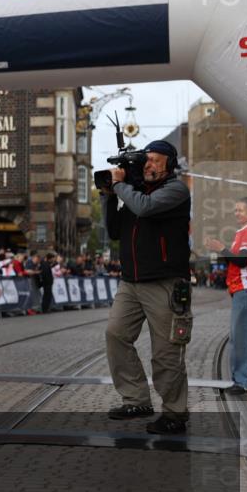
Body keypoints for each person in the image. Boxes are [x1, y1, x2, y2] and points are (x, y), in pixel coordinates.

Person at [101, 139, 192, 434]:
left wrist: (120, 187)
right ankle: (136, 399)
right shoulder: (135, 193)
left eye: (154, 160)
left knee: (166, 351)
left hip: (165, 281)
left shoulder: (175, 190)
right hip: (131, 282)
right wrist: (107, 195)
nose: (149, 165)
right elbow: (114, 230)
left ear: (169, 162)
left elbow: (146, 208)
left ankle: (175, 413)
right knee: (115, 334)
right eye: (146, 160)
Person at [205, 197, 247, 395]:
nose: (236, 213)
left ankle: (246, 381)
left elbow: (243, 260)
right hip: (243, 290)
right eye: (235, 210)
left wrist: (221, 248)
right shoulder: (243, 232)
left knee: (244, 337)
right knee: (243, 336)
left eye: (241, 210)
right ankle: (245, 379)